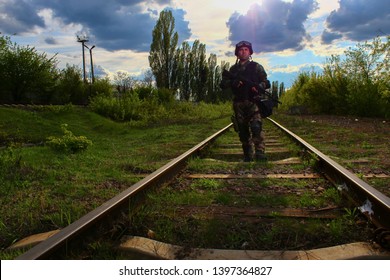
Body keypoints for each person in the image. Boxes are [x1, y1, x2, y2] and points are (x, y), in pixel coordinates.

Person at [220, 41, 270, 162]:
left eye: (246, 50)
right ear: (237, 54)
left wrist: (258, 86)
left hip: (254, 102)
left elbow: (266, 82)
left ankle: (260, 153)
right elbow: (223, 84)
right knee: (242, 130)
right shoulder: (233, 69)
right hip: (239, 103)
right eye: (241, 50)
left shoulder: (257, 67)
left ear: (250, 52)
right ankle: (247, 155)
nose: (243, 52)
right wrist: (233, 82)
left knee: (256, 127)